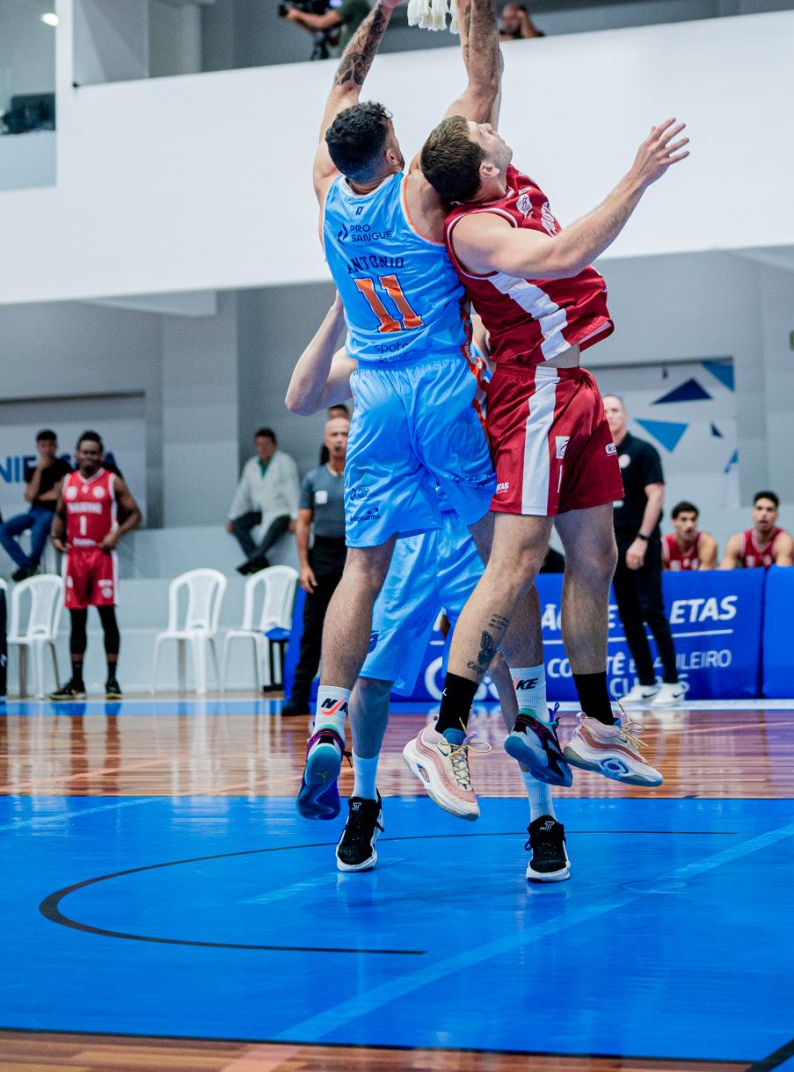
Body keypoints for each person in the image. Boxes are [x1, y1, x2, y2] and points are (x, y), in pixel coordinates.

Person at [294, 0, 547, 820]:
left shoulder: (328, 192)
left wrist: (382, 9)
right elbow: (483, 85)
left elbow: (341, 86)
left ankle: (327, 723)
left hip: (372, 398)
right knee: (500, 559)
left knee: (362, 567)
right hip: (440, 387)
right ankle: (532, 712)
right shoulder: (420, 193)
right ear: (395, 149)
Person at [408, 106, 688, 816]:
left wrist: (478, 27)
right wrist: (638, 177)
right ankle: (443, 733)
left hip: (576, 389)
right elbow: (564, 255)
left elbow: (486, 82)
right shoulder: (473, 227)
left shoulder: (507, 179)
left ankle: (597, 726)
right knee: (516, 562)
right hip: (531, 394)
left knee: (596, 554)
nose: (490, 124)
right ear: (483, 166)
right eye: (483, 132)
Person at [285, 305, 570, 881]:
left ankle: (543, 818)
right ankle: (363, 804)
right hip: (409, 536)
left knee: (505, 666)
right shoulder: (379, 345)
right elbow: (302, 395)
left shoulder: (474, 327)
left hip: (474, 527)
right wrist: (340, 309)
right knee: (373, 676)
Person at [604, 394, 683, 706]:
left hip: (642, 540)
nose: (610, 415)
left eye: (615, 410)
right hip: (614, 543)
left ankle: (672, 682)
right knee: (628, 614)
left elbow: (656, 496)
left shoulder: (642, 450)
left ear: (625, 415)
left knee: (652, 609)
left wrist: (642, 538)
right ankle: (646, 681)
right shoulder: (599, 454)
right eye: (605, 410)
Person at [49, 431, 141, 699]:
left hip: (102, 557)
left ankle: (112, 680)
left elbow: (136, 514)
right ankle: (76, 681)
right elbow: (60, 514)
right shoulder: (67, 482)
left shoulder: (112, 481)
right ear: (76, 454)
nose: (89, 456)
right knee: (77, 621)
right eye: (85, 452)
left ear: (101, 456)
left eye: (94, 452)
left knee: (107, 618)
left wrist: (116, 533)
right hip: (75, 557)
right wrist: (55, 537)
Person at [280, 406, 350, 718]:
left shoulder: (360, 476)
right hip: (320, 559)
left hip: (352, 559)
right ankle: (297, 698)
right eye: (334, 434)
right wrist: (304, 565)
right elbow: (303, 524)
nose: (339, 440)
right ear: (325, 440)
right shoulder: (313, 479)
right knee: (311, 632)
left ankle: (351, 699)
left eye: (344, 434)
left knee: (351, 630)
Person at [0, 428, 67, 581]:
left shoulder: (63, 467)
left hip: (53, 512)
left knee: (38, 527)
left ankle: (33, 562)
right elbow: (30, 496)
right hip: (34, 512)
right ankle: (27, 565)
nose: (47, 449)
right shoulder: (33, 470)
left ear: (56, 446)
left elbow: (58, 494)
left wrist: (37, 496)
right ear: (38, 447)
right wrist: (40, 469)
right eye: (43, 445)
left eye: (50, 445)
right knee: (1, 530)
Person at [226, 429, 300, 574]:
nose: (262, 448)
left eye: (266, 444)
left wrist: (296, 517)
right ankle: (259, 562)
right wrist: (233, 517)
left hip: (283, 510)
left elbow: (292, 489)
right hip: (262, 510)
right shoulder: (251, 465)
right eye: (259, 444)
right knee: (238, 525)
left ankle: (253, 559)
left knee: (277, 525)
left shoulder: (284, 462)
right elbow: (242, 493)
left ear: (275, 445)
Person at [721, 492, 794, 569]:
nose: (764, 514)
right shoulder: (738, 541)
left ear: (776, 515)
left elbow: (782, 575)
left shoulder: (784, 541)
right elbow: (724, 574)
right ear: (753, 513)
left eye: (769, 510)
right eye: (759, 508)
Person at [663, 501, 718, 570]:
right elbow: (657, 575)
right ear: (674, 522)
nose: (690, 525)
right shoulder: (663, 546)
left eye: (693, 520)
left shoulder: (706, 543)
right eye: (684, 520)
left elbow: (705, 575)